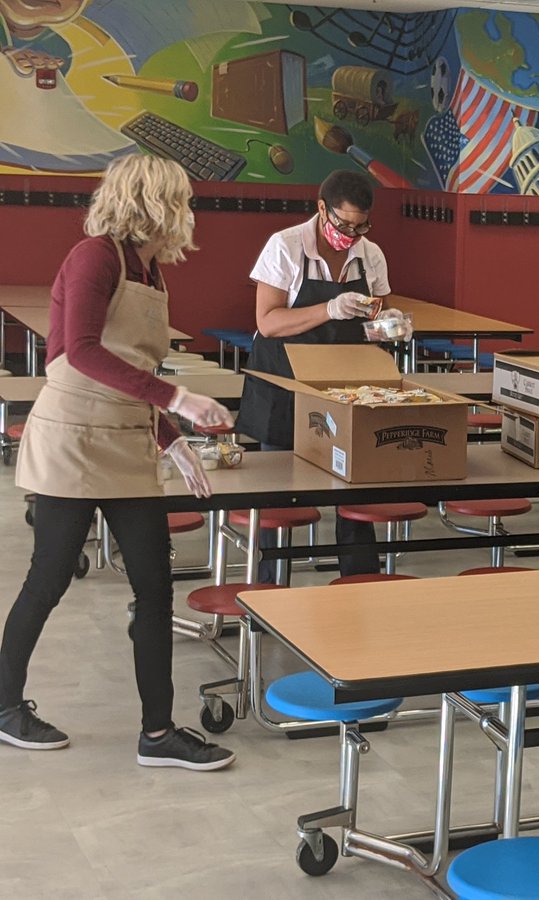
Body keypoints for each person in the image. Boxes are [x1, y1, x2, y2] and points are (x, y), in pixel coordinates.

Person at [0, 154, 236, 770]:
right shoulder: (95, 257)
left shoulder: (151, 273)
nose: (188, 211)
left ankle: (158, 734)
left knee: (155, 590)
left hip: (128, 440)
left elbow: (131, 372)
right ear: (154, 202)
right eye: (181, 199)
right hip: (71, 442)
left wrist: (172, 438)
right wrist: (178, 399)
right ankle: (2, 707)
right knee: (47, 581)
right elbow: (79, 352)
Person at [238, 170, 391, 581]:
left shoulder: (370, 254)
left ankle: (360, 585)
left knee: (354, 487)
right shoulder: (285, 246)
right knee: (279, 498)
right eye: (343, 224)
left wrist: (390, 325)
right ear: (321, 208)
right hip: (283, 383)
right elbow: (268, 322)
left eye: (361, 226)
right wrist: (328, 309)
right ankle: (271, 590)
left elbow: (373, 319)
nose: (351, 233)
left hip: (343, 386)